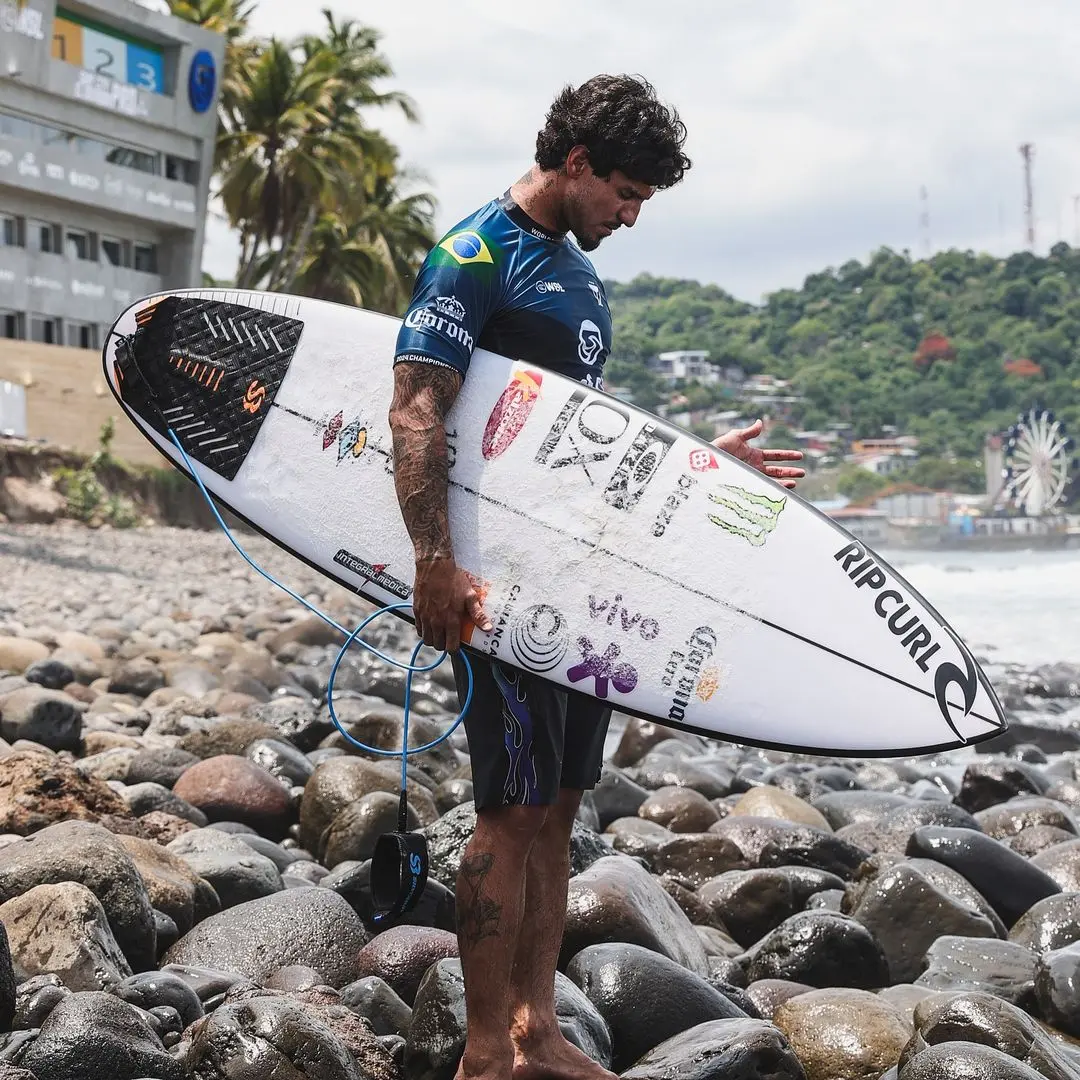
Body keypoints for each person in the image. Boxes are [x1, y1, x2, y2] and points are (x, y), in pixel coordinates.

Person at [388, 74, 805, 1080]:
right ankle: (487, 1053)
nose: (629, 215)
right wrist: (436, 566)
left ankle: (538, 1031)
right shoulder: (474, 257)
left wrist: (705, 464)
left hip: (579, 587)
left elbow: (579, 449)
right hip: (502, 588)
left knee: (564, 805)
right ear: (577, 163)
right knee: (509, 811)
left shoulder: (577, 275)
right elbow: (414, 412)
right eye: (625, 193)